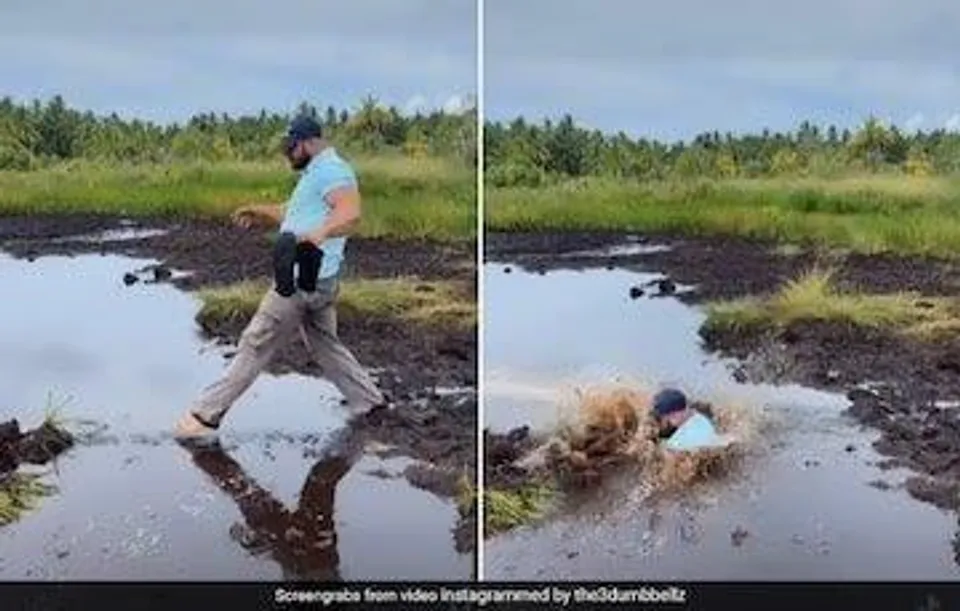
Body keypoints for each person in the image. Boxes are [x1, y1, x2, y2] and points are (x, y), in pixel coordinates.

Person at [174, 114, 387, 439]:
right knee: (324, 345)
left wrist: (321, 233)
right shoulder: (317, 172)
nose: (288, 153)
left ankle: (203, 416)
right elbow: (294, 210)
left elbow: (350, 212)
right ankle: (369, 402)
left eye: (291, 147)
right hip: (321, 280)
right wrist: (259, 211)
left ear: (306, 142)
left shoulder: (332, 170)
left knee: (255, 342)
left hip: (302, 278)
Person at [182, 433, 359, 580]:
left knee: (246, 491)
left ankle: (361, 439)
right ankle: (361, 439)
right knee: (318, 484)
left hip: (306, 557)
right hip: (312, 558)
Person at [651, 388, 730, 452]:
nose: (666, 422)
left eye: (666, 418)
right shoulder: (702, 416)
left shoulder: (678, 442)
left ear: (675, 415)